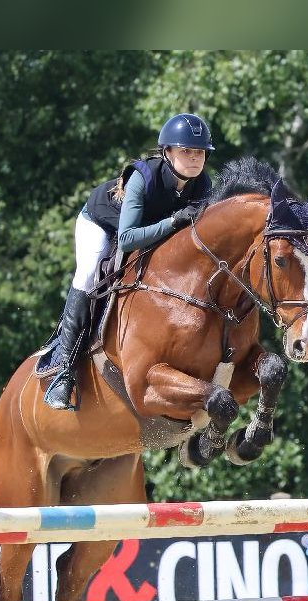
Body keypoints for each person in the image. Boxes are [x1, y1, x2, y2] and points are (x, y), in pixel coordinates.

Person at [43, 113, 215, 410]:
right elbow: (127, 239)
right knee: (87, 275)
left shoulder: (202, 185)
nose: (195, 158)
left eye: (199, 152)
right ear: (167, 152)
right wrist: (174, 221)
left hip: (145, 229)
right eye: (186, 151)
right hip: (103, 224)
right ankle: (63, 371)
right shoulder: (142, 178)